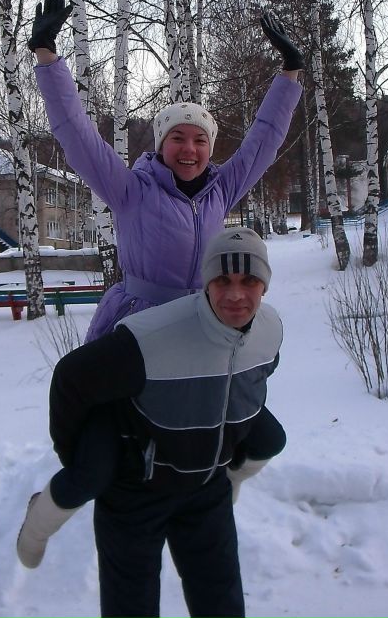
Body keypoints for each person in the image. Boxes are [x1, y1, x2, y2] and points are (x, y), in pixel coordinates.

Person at [18, 227, 284, 618]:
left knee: (221, 600)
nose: (235, 295)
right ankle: (38, 523)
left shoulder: (271, 330)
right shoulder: (151, 339)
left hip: (205, 486)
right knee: (132, 604)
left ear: (265, 285)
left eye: (250, 281)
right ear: (206, 283)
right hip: (136, 487)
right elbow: (72, 378)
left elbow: (255, 378)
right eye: (222, 280)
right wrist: (75, 457)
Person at [27, 0, 304, 341]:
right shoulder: (131, 190)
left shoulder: (221, 190)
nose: (189, 148)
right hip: (141, 326)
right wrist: (46, 55)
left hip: (204, 323)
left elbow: (264, 140)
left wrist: (290, 72)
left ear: (209, 148)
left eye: (200, 140)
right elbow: (77, 134)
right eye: (177, 137)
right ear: (161, 145)